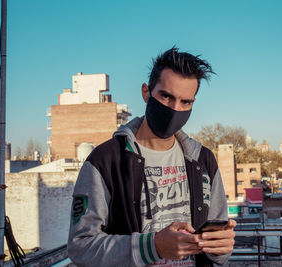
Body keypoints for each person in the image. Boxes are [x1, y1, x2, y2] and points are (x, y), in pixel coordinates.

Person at [67, 47, 236, 267]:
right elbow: (81, 248)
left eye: (186, 102)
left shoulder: (202, 161)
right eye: (166, 96)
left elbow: (218, 253)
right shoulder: (104, 161)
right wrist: (152, 247)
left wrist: (221, 248)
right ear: (146, 92)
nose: (175, 109)